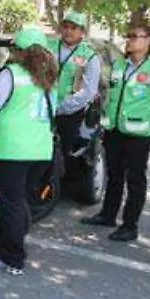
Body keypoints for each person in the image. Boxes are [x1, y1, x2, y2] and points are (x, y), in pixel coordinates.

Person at [80, 24, 150, 242]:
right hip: (115, 129)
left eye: (135, 36)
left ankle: (130, 225)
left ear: (149, 40)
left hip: (139, 134)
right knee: (114, 175)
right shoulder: (120, 64)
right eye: (129, 36)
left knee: (135, 179)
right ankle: (108, 215)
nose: (129, 40)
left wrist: (147, 115)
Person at [0, 25, 58, 276]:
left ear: (19, 51)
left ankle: (13, 258)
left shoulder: (11, 74)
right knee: (19, 200)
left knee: (11, 202)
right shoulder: (49, 79)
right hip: (41, 150)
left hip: (13, 148)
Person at [48, 10, 102, 178]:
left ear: (82, 32)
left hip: (70, 114)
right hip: (43, 110)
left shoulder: (89, 56)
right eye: (65, 26)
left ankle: (56, 185)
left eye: (74, 28)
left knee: (63, 157)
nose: (68, 31)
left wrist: (62, 107)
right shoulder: (48, 47)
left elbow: (88, 91)